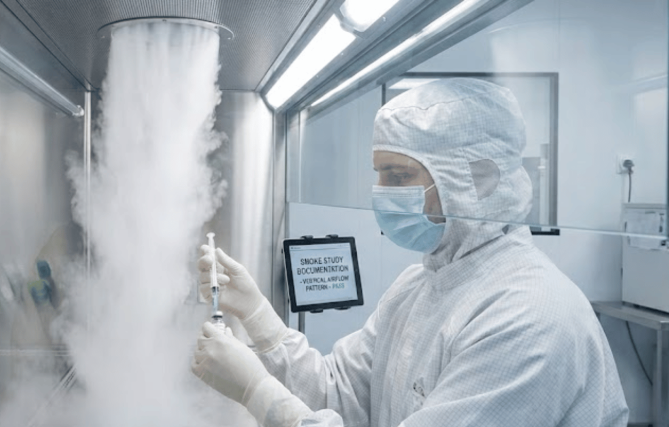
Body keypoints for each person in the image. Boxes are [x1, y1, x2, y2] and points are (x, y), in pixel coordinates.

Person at [191, 78, 629, 427]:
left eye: (398, 177)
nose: (381, 195)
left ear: (477, 182)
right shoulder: (421, 284)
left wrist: (256, 391)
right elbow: (340, 394)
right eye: (380, 176)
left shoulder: (528, 318)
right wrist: (258, 317)